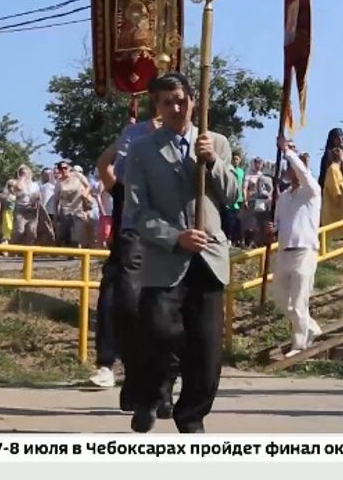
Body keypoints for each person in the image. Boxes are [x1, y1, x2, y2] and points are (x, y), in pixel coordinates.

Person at [125, 72, 237, 434]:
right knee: (158, 335)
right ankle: (149, 396)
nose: (176, 107)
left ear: (193, 99)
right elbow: (138, 212)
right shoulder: (142, 151)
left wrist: (212, 163)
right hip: (165, 259)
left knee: (206, 350)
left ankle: (192, 416)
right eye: (166, 102)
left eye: (181, 99)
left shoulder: (215, 142)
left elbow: (232, 194)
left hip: (209, 258)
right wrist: (175, 236)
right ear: (156, 107)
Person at [93, 106, 175, 409]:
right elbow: (105, 167)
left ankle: (158, 379)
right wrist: (125, 139)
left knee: (155, 312)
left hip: (158, 247)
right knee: (117, 303)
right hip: (126, 249)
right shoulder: (123, 187)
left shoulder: (162, 186)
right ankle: (110, 365)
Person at [268, 136, 323, 358]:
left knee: (299, 300)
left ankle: (299, 344)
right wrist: (273, 228)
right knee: (282, 298)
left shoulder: (312, 191)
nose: (293, 171)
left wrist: (288, 151)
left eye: (295, 167)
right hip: (284, 251)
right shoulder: (283, 197)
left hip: (304, 251)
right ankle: (311, 328)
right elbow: (279, 222)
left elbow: (304, 174)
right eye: (289, 168)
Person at [319, 128, 343, 242]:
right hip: (335, 192)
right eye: (338, 137)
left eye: (342, 136)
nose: (341, 139)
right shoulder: (329, 156)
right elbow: (325, 177)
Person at [11, 165, 41, 245]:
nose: (24, 175)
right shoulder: (16, 183)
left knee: (31, 231)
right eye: (21, 173)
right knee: (19, 230)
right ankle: (14, 247)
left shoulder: (35, 185)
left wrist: (35, 201)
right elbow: (17, 190)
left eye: (25, 173)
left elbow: (38, 196)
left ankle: (28, 250)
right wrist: (21, 179)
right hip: (20, 208)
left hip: (32, 210)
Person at [222, 154, 245, 247]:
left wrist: (244, 198)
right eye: (234, 159)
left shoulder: (241, 171)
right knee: (228, 219)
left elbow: (243, 185)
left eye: (237, 159)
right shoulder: (228, 169)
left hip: (238, 199)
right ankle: (227, 238)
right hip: (229, 198)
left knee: (236, 220)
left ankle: (234, 239)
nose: (235, 161)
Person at [0, 180, 15, 245]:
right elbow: (1, 207)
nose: (12, 188)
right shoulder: (4, 196)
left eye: (13, 186)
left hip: (15, 215)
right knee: (7, 229)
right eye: (10, 186)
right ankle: (5, 247)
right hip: (7, 214)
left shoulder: (18, 196)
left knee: (13, 230)